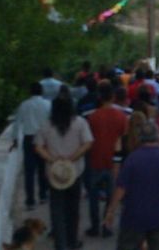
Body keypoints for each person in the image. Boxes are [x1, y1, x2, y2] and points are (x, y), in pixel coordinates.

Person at [104, 121, 159, 250]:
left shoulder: (132, 159)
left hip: (133, 217)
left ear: (139, 138)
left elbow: (120, 188)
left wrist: (111, 211)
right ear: (158, 136)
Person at [35, 93, 93, 250]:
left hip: (54, 174)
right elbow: (88, 143)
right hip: (75, 172)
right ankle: (72, 242)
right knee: (73, 210)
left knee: (57, 210)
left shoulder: (46, 125)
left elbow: (38, 146)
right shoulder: (80, 123)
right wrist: (72, 158)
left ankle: (61, 244)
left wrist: (53, 160)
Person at [85, 80, 129, 238]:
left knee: (93, 196)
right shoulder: (121, 116)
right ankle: (107, 225)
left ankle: (94, 226)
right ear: (113, 97)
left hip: (95, 159)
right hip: (113, 161)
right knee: (111, 196)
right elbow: (123, 136)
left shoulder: (92, 117)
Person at [11, 82, 51, 210]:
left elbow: (17, 123)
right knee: (43, 168)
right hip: (43, 140)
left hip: (29, 140)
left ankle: (30, 201)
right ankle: (43, 195)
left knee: (29, 171)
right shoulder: (47, 104)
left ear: (30, 92)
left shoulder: (24, 105)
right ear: (41, 92)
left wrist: (15, 139)